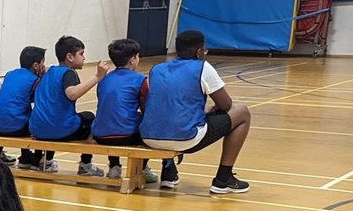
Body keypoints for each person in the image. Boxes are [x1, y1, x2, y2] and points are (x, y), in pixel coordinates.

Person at [139, 29, 252, 193]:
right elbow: (226, 105)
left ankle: (169, 171)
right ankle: (223, 178)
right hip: (185, 139)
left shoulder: (156, 69)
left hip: (148, 137)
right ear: (200, 52)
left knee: (168, 116)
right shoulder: (202, 67)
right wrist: (211, 110)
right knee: (242, 112)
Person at [29, 36, 108, 176]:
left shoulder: (48, 73)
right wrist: (98, 76)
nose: (84, 58)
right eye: (81, 54)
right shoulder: (68, 73)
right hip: (61, 130)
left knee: (51, 116)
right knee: (89, 118)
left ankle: (44, 161)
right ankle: (86, 164)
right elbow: (71, 93)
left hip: (37, 129)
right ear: (70, 57)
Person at [91, 39, 158, 184]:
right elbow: (147, 108)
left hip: (100, 135)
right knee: (149, 124)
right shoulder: (140, 79)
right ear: (133, 59)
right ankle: (142, 168)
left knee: (111, 118)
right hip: (126, 135)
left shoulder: (103, 79)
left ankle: (114, 167)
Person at [0, 46, 47, 170]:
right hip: (15, 128)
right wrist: (43, 78)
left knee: (12, 111)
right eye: (43, 63)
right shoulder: (35, 79)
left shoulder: (10, 75)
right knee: (39, 119)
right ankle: (33, 159)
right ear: (36, 66)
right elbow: (40, 100)